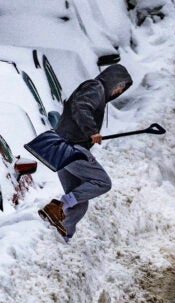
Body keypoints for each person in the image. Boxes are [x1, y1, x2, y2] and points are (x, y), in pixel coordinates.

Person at [39, 64, 133, 242]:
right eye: (120, 85)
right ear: (113, 80)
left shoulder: (97, 92)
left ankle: (61, 237)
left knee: (79, 204)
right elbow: (81, 106)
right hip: (69, 146)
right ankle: (57, 206)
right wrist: (92, 131)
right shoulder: (95, 87)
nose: (120, 91)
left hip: (61, 149)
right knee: (102, 182)